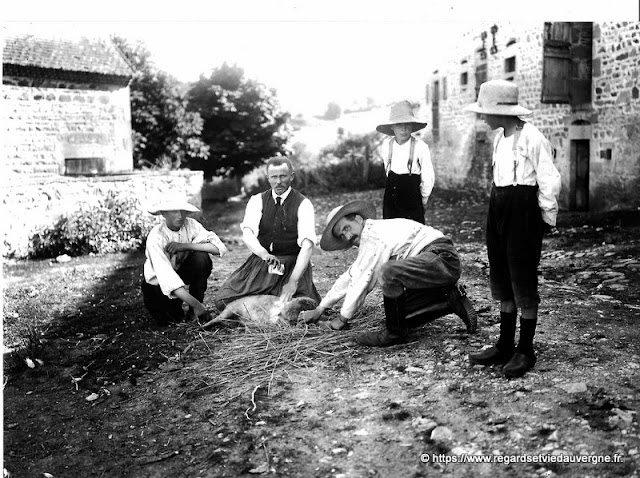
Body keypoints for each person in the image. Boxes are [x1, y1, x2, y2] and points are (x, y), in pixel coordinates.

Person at [464, 79, 561, 378]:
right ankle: (505, 343)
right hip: (499, 207)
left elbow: (549, 179)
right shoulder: (499, 138)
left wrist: (547, 216)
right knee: (502, 273)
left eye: (486, 111)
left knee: (522, 278)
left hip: (522, 211)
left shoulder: (531, 137)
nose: (482, 117)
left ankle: (526, 349)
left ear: (502, 112)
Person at [299, 200, 477, 346]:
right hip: (432, 268)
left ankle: (394, 334)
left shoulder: (373, 234)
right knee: (396, 313)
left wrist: (342, 319)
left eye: (346, 228)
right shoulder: (372, 237)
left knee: (387, 272)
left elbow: (363, 279)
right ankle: (450, 300)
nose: (347, 237)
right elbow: (351, 275)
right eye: (342, 236)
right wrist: (322, 307)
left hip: (440, 260)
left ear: (359, 219)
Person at [214, 156, 320, 310]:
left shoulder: (303, 204)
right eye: (274, 177)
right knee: (223, 301)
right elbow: (248, 233)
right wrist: (263, 254)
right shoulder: (257, 200)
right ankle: (267, 304)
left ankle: (270, 305)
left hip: (292, 265)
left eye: (283, 176)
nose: (278, 181)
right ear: (268, 178)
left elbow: (308, 246)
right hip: (263, 262)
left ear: (291, 176)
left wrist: (293, 281)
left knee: (303, 308)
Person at [142, 195, 227, 326]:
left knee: (201, 258)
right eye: (174, 211)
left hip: (182, 272)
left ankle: (194, 309)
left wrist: (184, 246)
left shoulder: (191, 225)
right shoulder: (156, 237)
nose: (180, 216)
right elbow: (167, 277)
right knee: (171, 320)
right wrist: (198, 306)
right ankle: (193, 307)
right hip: (158, 284)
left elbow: (218, 248)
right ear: (164, 214)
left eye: (183, 211)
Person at [376, 100, 435, 224]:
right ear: (392, 127)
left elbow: (428, 177)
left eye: (407, 125)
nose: (403, 129)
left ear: (412, 126)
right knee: (391, 230)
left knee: (413, 231)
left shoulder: (421, 147)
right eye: (399, 125)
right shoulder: (387, 146)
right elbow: (387, 169)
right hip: (391, 194)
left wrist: (422, 199)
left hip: (412, 194)